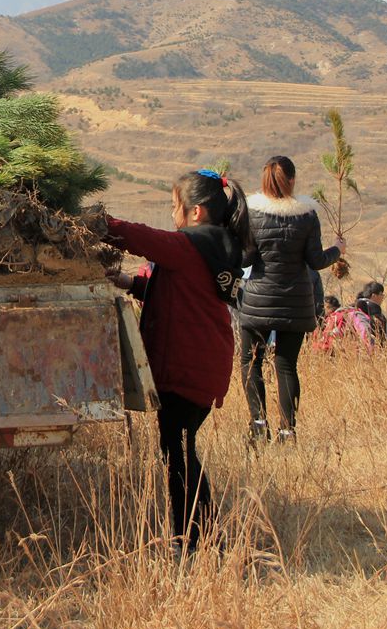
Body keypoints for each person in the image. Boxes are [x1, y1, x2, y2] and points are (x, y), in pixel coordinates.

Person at [105, 169, 249, 552]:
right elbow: (181, 290)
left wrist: (99, 224)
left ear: (196, 212)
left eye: (175, 207)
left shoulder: (189, 246)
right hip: (202, 365)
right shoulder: (215, 247)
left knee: (178, 455)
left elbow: (141, 238)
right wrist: (129, 283)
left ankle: (191, 539)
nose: (173, 216)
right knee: (180, 449)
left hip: (188, 368)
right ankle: (205, 533)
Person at [238, 155, 343, 443]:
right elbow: (316, 260)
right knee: (286, 365)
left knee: (251, 362)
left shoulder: (253, 213)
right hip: (296, 301)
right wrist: (338, 249)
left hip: (258, 299)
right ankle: (287, 431)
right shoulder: (307, 215)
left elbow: (245, 258)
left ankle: (258, 425)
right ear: (293, 180)